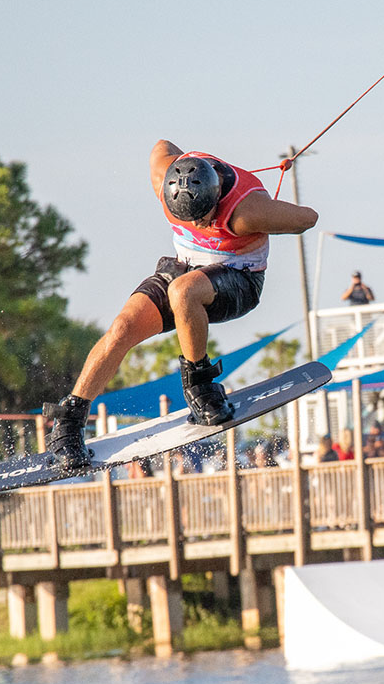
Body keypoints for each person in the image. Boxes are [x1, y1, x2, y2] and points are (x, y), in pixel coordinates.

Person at [42, 140, 318, 468]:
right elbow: (162, 145)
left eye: (204, 218)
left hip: (238, 280)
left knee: (183, 291)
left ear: (216, 195)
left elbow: (308, 218)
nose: (200, 226)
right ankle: (71, 420)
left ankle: (201, 385)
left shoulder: (247, 212)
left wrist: (273, 211)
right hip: (183, 266)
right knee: (122, 328)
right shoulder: (163, 175)